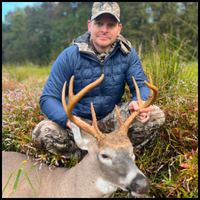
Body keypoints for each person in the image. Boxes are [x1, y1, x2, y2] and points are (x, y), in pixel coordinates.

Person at [32, 2, 165, 158]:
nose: (104, 30)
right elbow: (48, 98)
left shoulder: (127, 54)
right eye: (99, 23)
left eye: (111, 24)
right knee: (43, 133)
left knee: (155, 116)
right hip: (80, 121)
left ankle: (121, 155)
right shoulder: (69, 56)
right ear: (90, 25)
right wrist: (68, 121)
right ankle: (84, 159)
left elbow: (141, 85)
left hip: (112, 117)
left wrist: (139, 102)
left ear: (118, 29)